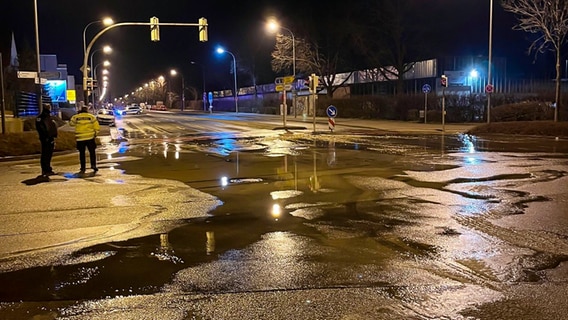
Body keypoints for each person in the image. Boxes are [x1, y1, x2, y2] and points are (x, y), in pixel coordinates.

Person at [69, 106, 100, 173]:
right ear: (87, 110)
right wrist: (95, 134)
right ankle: (93, 165)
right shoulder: (91, 117)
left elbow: (71, 124)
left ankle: (83, 168)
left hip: (80, 138)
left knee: (82, 153)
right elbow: (96, 126)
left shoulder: (76, 117)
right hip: (90, 138)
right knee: (92, 152)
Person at [35, 103, 58, 176]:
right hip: (47, 138)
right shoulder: (44, 117)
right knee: (46, 154)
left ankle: (47, 169)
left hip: (47, 137)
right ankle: (46, 169)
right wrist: (47, 136)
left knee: (47, 154)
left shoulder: (46, 117)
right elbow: (42, 128)